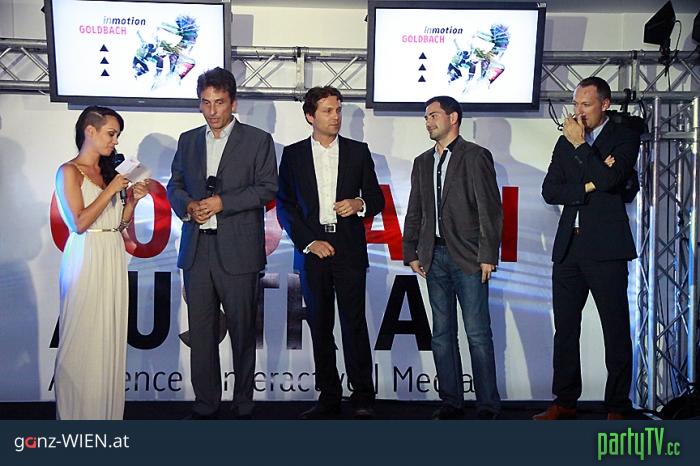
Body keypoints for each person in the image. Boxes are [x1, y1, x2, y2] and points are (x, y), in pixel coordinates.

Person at [167, 67, 277, 420]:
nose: (212, 110)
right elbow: (174, 185)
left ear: (233, 102)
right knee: (202, 334)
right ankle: (206, 403)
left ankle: (243, 402)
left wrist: (221, 203)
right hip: (197, 250)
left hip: (239, 251)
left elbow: (267, 189)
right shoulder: (188, 140)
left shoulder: (258, 140)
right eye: (205, 102)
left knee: (243, 333)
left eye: (219, 102)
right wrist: (188, 205)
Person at [535, 77, 640, 420]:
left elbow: (612, 180)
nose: (578, 112)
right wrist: (590, 184)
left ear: (605, 104)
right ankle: (565, 401)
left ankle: (617, 406)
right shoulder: (565, 141)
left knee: (615, 328)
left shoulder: (623, 137)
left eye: (586, 104)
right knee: (566, 329)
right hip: (569, 247)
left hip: (607, 248)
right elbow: (550, 190)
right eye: (575, 104)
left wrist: (582, 146)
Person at [276, 86, 384, 419]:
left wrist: (359, 203)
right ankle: (329, 395)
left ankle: (363, 395)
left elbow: (376, 199)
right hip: (313, 250)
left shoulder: (358, 152)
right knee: (320, 326)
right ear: (310, 116)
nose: (335, 117)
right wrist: (309, 242)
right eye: (327, 111)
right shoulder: (293, 155)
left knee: (354, 324)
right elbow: (285, 206)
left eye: (338, 110)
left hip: (349, 248)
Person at [402, 95, 502, 420]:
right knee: (442, 335)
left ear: (453, 117)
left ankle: (487, 404)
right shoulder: (422, 162)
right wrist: (411, 251)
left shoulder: (475, 156)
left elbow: (490, 209)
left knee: (477, 333)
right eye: (426, 117)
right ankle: (451, 400)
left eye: (433, 115)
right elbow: (415, 210)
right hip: (434, 257)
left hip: (469, 257)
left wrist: (488, 254)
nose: (428, 122)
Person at [54, 106, 150, 420]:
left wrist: (132, 201)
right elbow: (79, 223)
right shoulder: (69, 171)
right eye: (111, 133)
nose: (115, 141)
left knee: (108, 337)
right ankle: (74, 420)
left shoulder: (109, 173)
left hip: (111, 253)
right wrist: (111, 189)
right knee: (81, 338)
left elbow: (117, 226)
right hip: (85, 256)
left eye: (117, 135)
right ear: (90, 131)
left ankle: (105, 419)